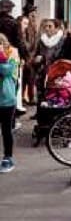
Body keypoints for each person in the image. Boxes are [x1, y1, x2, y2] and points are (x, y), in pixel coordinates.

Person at [0, 33, 19, 173]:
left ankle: (8, 157)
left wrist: (1, 56)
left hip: (6, 99)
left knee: (6, 130)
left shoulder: (12, 53)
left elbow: (7, 71)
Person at [31, 19, 64, 102]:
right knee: (41, 94)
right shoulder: (41, 40)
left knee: (53, 95)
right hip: (42, 71)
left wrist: (44, 58)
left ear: (56, 28)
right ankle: (40, 112)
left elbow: (59, 55)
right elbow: (36, 54)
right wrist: (36, 59)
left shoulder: (61, 41)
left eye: (50, 26)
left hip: (56, 71)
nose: (47, 28)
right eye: (45, 26)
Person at [17, 9, 39, 105]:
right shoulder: (23, 30)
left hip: (30, 55)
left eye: (34, 16)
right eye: (32, 16)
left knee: (30, 77)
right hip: (25, 56)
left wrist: (32, 55)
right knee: (24, 78)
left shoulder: (34, 27)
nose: (33, 18)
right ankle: (23, 97)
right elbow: (24, 44)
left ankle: (29, 97)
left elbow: (34, 43)